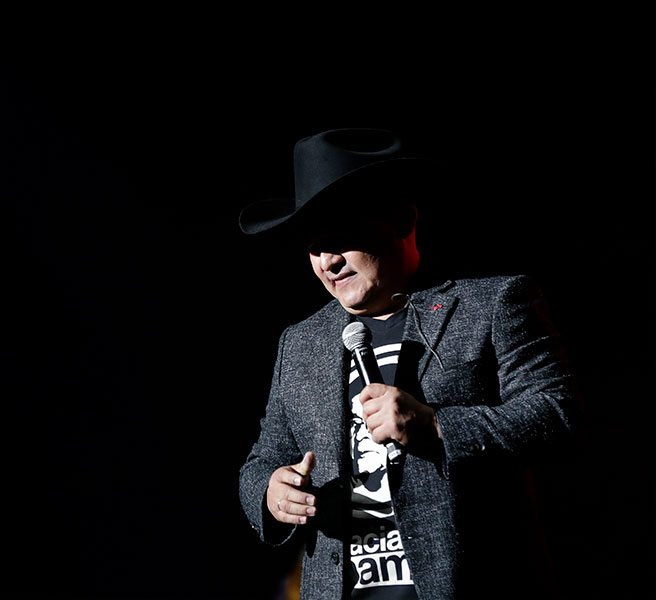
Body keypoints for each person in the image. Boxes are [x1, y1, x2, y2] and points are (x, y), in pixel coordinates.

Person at [237, 128, 579, 600]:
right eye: (314, 244)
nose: (327, 261)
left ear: (401, 219)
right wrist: (272, 492)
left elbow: (559, 415)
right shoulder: (300, 343)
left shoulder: (492, 304)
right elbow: (263, 460)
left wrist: (437, 427)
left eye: (340, 235)